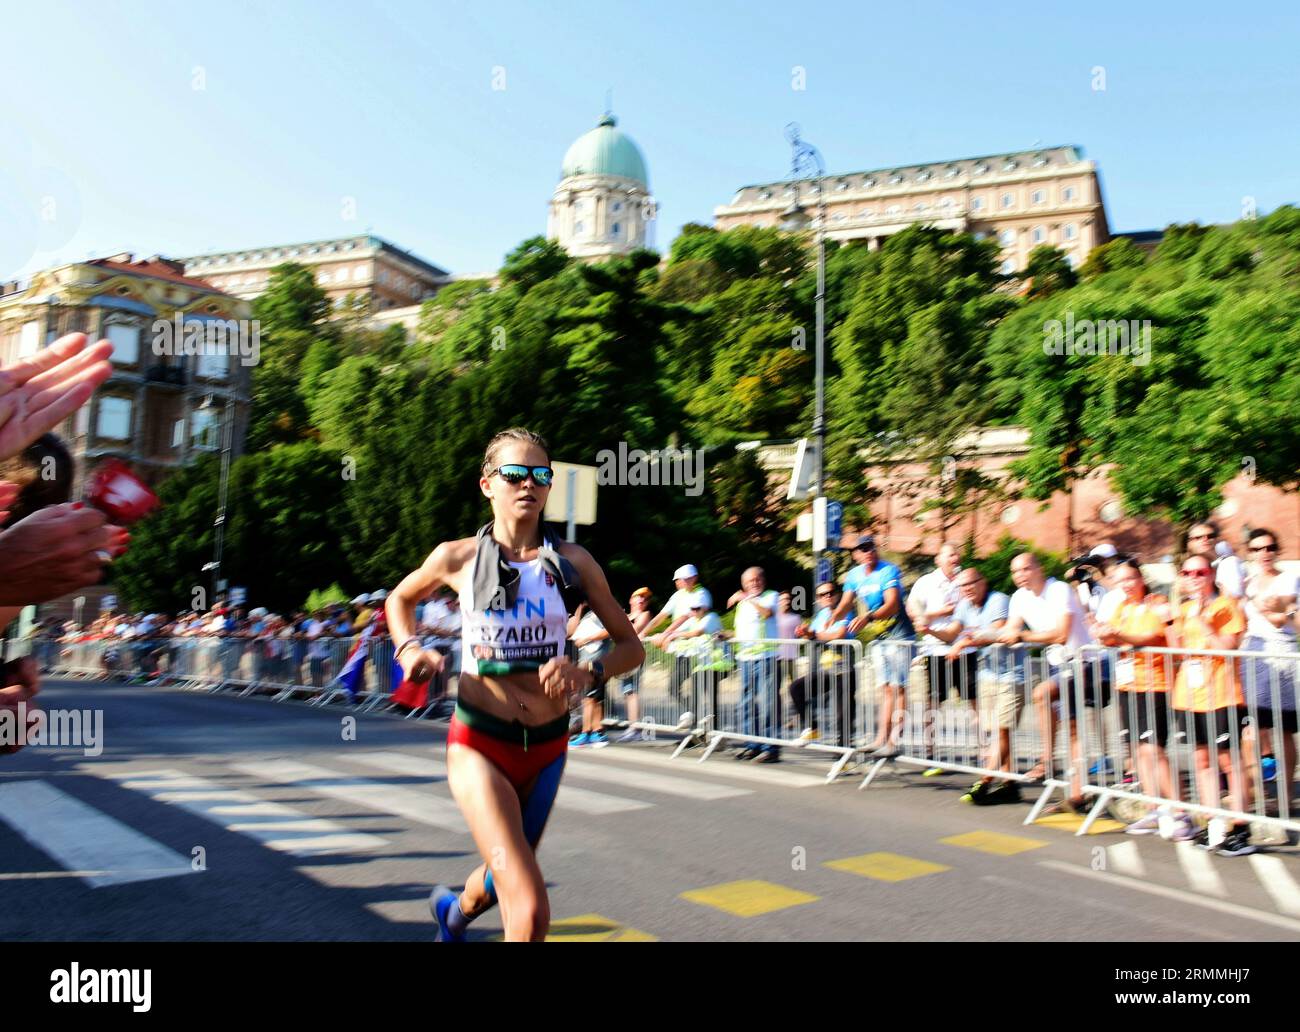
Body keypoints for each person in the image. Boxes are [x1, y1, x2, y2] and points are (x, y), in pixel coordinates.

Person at [385, 428, 643, 942]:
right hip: (480, 744)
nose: (529, 484)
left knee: (504, 876)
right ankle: (459, 915)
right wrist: (409, 649)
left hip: (547, 748)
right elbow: (400, 600)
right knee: (528, 911)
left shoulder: (574, 561)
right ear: (487, 484)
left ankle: (452, 915)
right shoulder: (456, 557)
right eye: (515, 474)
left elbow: (631, 648)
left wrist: (587, 672)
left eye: (541, 475)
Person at [995, 552, 1104, 814]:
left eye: (1025, 569)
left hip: (1084, 660)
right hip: (1060, 664)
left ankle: (1046, 760)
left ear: (1039, 569)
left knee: (1042, 694)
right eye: (1015, 571)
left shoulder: (1059, 590)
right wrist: (977, 636)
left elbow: (1061, 634)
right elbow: (1010, 630)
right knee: (1073, 729)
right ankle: (1077, 795)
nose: (1020, 575)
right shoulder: (1020, 597)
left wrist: (1022, 635)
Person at [1167, 553, 1254, 855]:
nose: (1193, 578)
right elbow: (1176, 650)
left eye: (1199, 572)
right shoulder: (1185, 608)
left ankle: (1240, 829)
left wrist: (1205, 625)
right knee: (1202, 761)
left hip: (1223, 694)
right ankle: (1212, 821)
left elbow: (1229, 649)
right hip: (1190, 695)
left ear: (1211, 576)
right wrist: (1170, 617)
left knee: (1229, 762)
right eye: (1187, 573)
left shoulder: (1225, 606)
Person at [1092, 559, 1179, 834]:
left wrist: (1119, 634)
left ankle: (1179, 811)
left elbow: (1154, 636)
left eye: (1130, 578)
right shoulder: (1122, 607)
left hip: (1154, 683)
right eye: (1121, 580)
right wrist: (1103, 633)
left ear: (1141, 578)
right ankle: (1154, 808)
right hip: (1128, 684)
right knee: (1139, 750)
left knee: (1154, 749)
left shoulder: (1156, 602)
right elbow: (1113, 639)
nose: (1126, 584)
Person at [918, 569, 1012, 803]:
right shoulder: (964, 605)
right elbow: (952, 634)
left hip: (1011, 674)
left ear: (983, 581)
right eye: (962, 586)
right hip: (989, 673)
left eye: (971, 583)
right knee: (999, 731)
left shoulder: (998, 599)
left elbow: (997, 631)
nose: (967, 589)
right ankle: (1009, 784)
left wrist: (965, 643)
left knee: (1000, 730)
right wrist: (930, 630)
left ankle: (984, 781)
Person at [830, 535, 914, 754]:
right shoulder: (854, 575)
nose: (867, 552)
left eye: (870, 547)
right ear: (856, 554)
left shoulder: (888, 570)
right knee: (885, 689)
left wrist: (867, 617)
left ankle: (895, 741)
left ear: (875, 549)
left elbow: (893, 605)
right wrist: (833, 617)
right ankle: (881, 739)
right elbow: (846, 602)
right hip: (880, 636)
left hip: (900, 634)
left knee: (899, 688)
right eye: (862, 549)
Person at [1240, 528, 1298, 813]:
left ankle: (1285, 797)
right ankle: (1256, 793)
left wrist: (1276, 610)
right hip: (1253, 652)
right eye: (1257, 549)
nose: (1264, 553)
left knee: (1283, 729)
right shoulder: (1247, 580)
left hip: (1280, 653)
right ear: (1249, 552)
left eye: (1269, 547)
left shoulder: (1288, 578)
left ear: (1277, 550)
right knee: (1251, 727)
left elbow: (1281, 615)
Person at [909, 543, 962, 774]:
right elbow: (912, 610)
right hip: (935, 649)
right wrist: (939, 612)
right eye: (950, 554)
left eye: (957, 554)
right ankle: (931, 752)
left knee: (974, 702)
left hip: (962, 648)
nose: (955, 558)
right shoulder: (926, 582)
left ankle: (986, 752)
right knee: (933, 703)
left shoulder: (964, 579)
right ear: (938, 559)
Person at [787, 582, 855, 747]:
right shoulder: (822, 614)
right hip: (826, 669)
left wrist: (815, 634)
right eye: (822, 595)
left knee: (842, 714)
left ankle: (842, 753)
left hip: (844, 669)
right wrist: (805, 632)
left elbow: (838, 634)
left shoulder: (845, 611)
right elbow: (813, 634)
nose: (827, 596)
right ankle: (812, 727)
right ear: (818, 599)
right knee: (796, 688)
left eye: (830, 592)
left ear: (838, 594)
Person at [728, 567, 782, 762]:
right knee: (747, 704)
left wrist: (746, 598)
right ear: (744, 584)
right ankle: (752, 744)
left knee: (768, 704)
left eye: (758, 579)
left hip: (766, 657)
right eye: (750, 581)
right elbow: (743, 631)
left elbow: (767, 613)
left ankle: (771, 747)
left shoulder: (770, 596)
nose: (754, 583)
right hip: (746, 658)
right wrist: (726, 635)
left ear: (764, 580)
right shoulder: (743, 604)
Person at [568, 603, 613, 748]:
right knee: (593, 698)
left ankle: (587, 733)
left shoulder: (604, 612)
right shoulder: (588, 614)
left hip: (597, 661)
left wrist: (588, 639)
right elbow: (572, 632)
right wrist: (579, 609)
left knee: (589, 699)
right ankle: (596, 733)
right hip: (587, 662)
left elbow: (609, 631)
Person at [615, 588, 655, 742]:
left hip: (635, 655)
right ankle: (632, 726)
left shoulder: (644, 615)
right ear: (631, 600)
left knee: (632, 691)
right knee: (627, 691)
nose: (642, 600)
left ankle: (635, 728)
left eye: (645, 599)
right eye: (639, 597)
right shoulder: (627, 615)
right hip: (625, 654)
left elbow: (633, 629)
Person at [1184, 522, 1244, 600]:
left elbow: (1233, 600)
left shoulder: (1228, 564)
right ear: (1190, 543)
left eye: (1210, 536)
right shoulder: (1188, 567)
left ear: (1217, 540)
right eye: (1198, 537)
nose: (1205, 540)